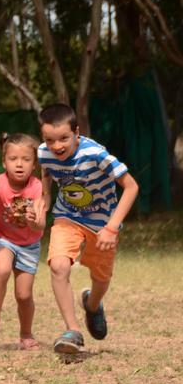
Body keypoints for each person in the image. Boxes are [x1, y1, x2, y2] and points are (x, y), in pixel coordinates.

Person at [37, 104, 139, 354]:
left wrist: (112, 228)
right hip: (67, 216)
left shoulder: (96, 154)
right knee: (59, 265)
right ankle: (73, 331)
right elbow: (47, 170)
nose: (57, 146)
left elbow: (131, 187)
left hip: (103, 223)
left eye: (63, 139)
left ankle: (92, 306)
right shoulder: (44, 153)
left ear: (77, 133)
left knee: (101, 278)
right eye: (50, 140)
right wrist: (46, 196)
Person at [0, 134, 46, 350]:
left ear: (34, 164)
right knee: (2, 269)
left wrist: (33, 222)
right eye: (13, 159)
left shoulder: (37, 187)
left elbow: (40, 226)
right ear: (4, 162)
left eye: (26, 159)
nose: (19, 164)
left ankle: (26, 334)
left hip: (29, 244)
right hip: (0, 237)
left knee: (24, 295)